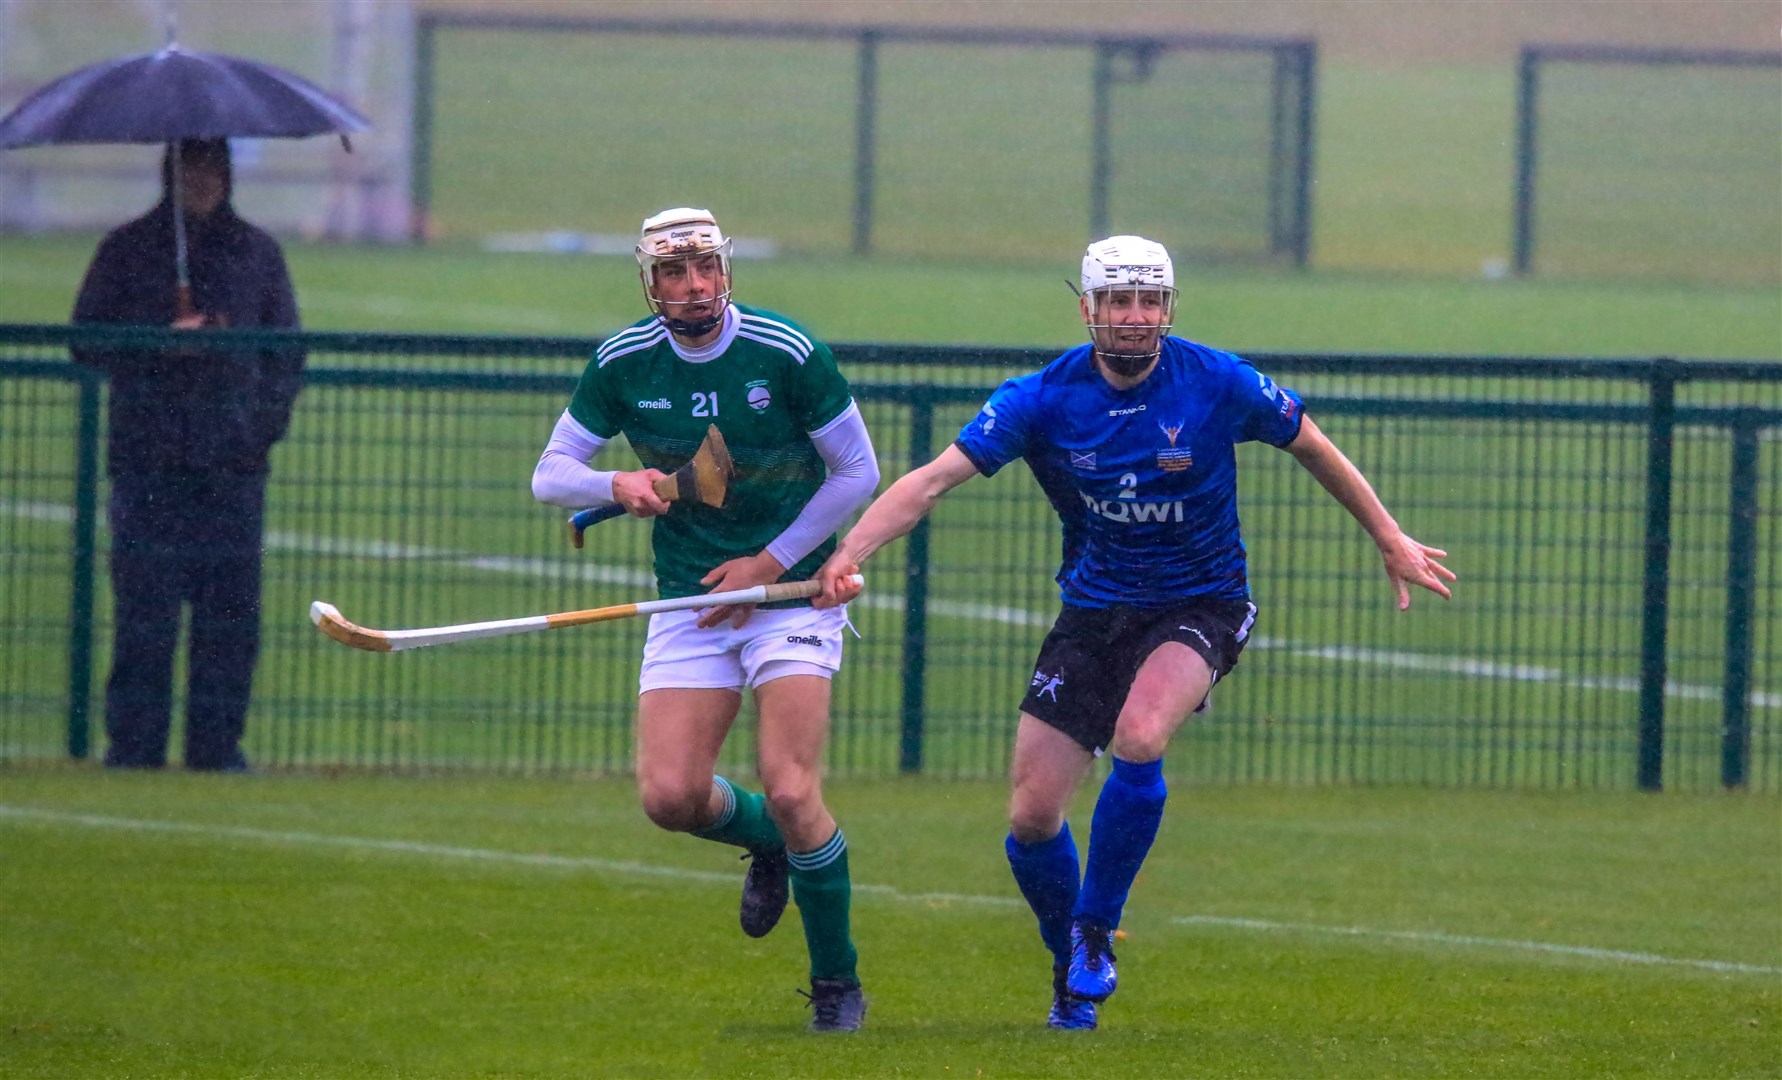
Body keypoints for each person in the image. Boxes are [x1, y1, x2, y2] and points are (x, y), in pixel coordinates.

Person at [814, 235, 1454, 1031]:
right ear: (1087, 309)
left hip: (1204, 603)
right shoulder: (1042, 397)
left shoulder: (1216, 381)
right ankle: (1068, 964)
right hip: (1096, 611)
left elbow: (1312, 444)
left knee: (1141, 736)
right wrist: (848, 553)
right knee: (1031, 816)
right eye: (1117, 301)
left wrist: (1387, 535)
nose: (1134, 316)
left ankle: (1093, 930)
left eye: (1150, 300)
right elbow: (932, 482)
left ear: (1168, 308)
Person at [531, 208, 880, 1032]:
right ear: (648, 284)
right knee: (671, 796)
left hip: (788, 598)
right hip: (692, 600)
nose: (693, 288)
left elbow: (856, 470)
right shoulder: (622, 362)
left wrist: (769, 564)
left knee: (795, 789)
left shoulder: (787, 351)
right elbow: (552, 475)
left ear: (726, 271)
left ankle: (836, 982)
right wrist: (615, 485)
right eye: (673, 275)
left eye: (706, 270)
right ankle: (767, 845)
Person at [71, 137, 305, 773]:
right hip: (148, 461)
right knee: (145, 613)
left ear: (227, 176)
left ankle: (217, 746)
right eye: (191, 169)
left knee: (230, 619)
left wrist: (255, 433)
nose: (202, 181)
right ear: (170, 175)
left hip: (232, 467)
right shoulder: (126, 250)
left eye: (212, 170)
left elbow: (286, 356)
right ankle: (134, 747)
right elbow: (85, 339)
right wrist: (156, 341)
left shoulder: (257, 252)